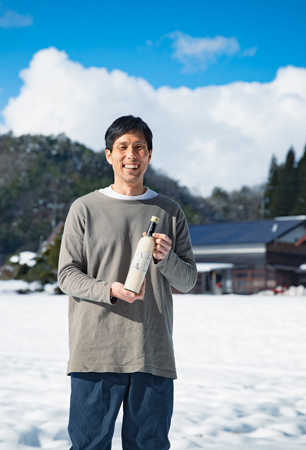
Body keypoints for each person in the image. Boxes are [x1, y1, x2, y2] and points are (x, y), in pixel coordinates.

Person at [58, 115, 198, 450]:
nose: (130, 155)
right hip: (95, 352)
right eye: (122, 147)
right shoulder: (85, 209)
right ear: (109, 155)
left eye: (139, 148)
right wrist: (109, 290)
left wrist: (167, 259)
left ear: (150, 155)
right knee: (89, 446)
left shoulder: (169, 211)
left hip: (152, 352)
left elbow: (189, 279)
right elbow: (67, 275)